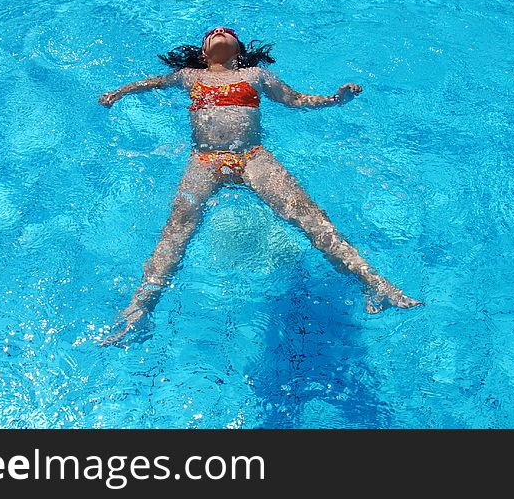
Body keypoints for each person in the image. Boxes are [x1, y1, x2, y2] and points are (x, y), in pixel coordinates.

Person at [98, 26, 422, 345]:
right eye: (212, 32)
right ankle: (139, 308)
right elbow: (152, 83)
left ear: (238, 48)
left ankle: (372, 282)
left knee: (309, 216)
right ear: (202, 53)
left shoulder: (255, 75)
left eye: (226, 31)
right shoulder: (188, 76)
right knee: (176, 232)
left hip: (252, 157)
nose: (219, 31)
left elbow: (295, 100)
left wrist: (335, 99)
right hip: (204, 160)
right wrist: (119, 93)